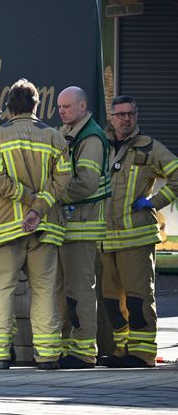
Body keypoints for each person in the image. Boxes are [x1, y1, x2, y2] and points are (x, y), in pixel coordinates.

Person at [0, 78, 71, 370]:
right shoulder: (55, 136)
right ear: (35, 106)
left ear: (9, 108)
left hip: (4, 228)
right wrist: (38, 208)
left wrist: (27, 202)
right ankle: (48, 355)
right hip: (45, 226)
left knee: (1, 288)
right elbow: (63, 179)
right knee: (44, 290)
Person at [100, 95, 178, 368]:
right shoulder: (100, 146)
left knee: (138, 298)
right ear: (111, 117)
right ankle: (122, 351)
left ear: (136, 116)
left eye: (130, 114)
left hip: (137, 236)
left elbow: (177, 174)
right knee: (112, 300)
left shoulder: (150, 147)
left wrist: (154, 201)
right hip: (105, 238)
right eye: (120, 114)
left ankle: (142, 354)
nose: (125, 119)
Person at [54, 86, 109, 369]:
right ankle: (69, 348)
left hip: (83, 228)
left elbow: (86, 183)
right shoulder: (69, 133)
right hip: (69, 227)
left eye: (67, 107)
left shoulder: (91, 138)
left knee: (79, 291)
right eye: (59, 106)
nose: (61, 111)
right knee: (66, 291)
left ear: (83, 106)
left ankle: (84, 351)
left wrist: (53, 194)